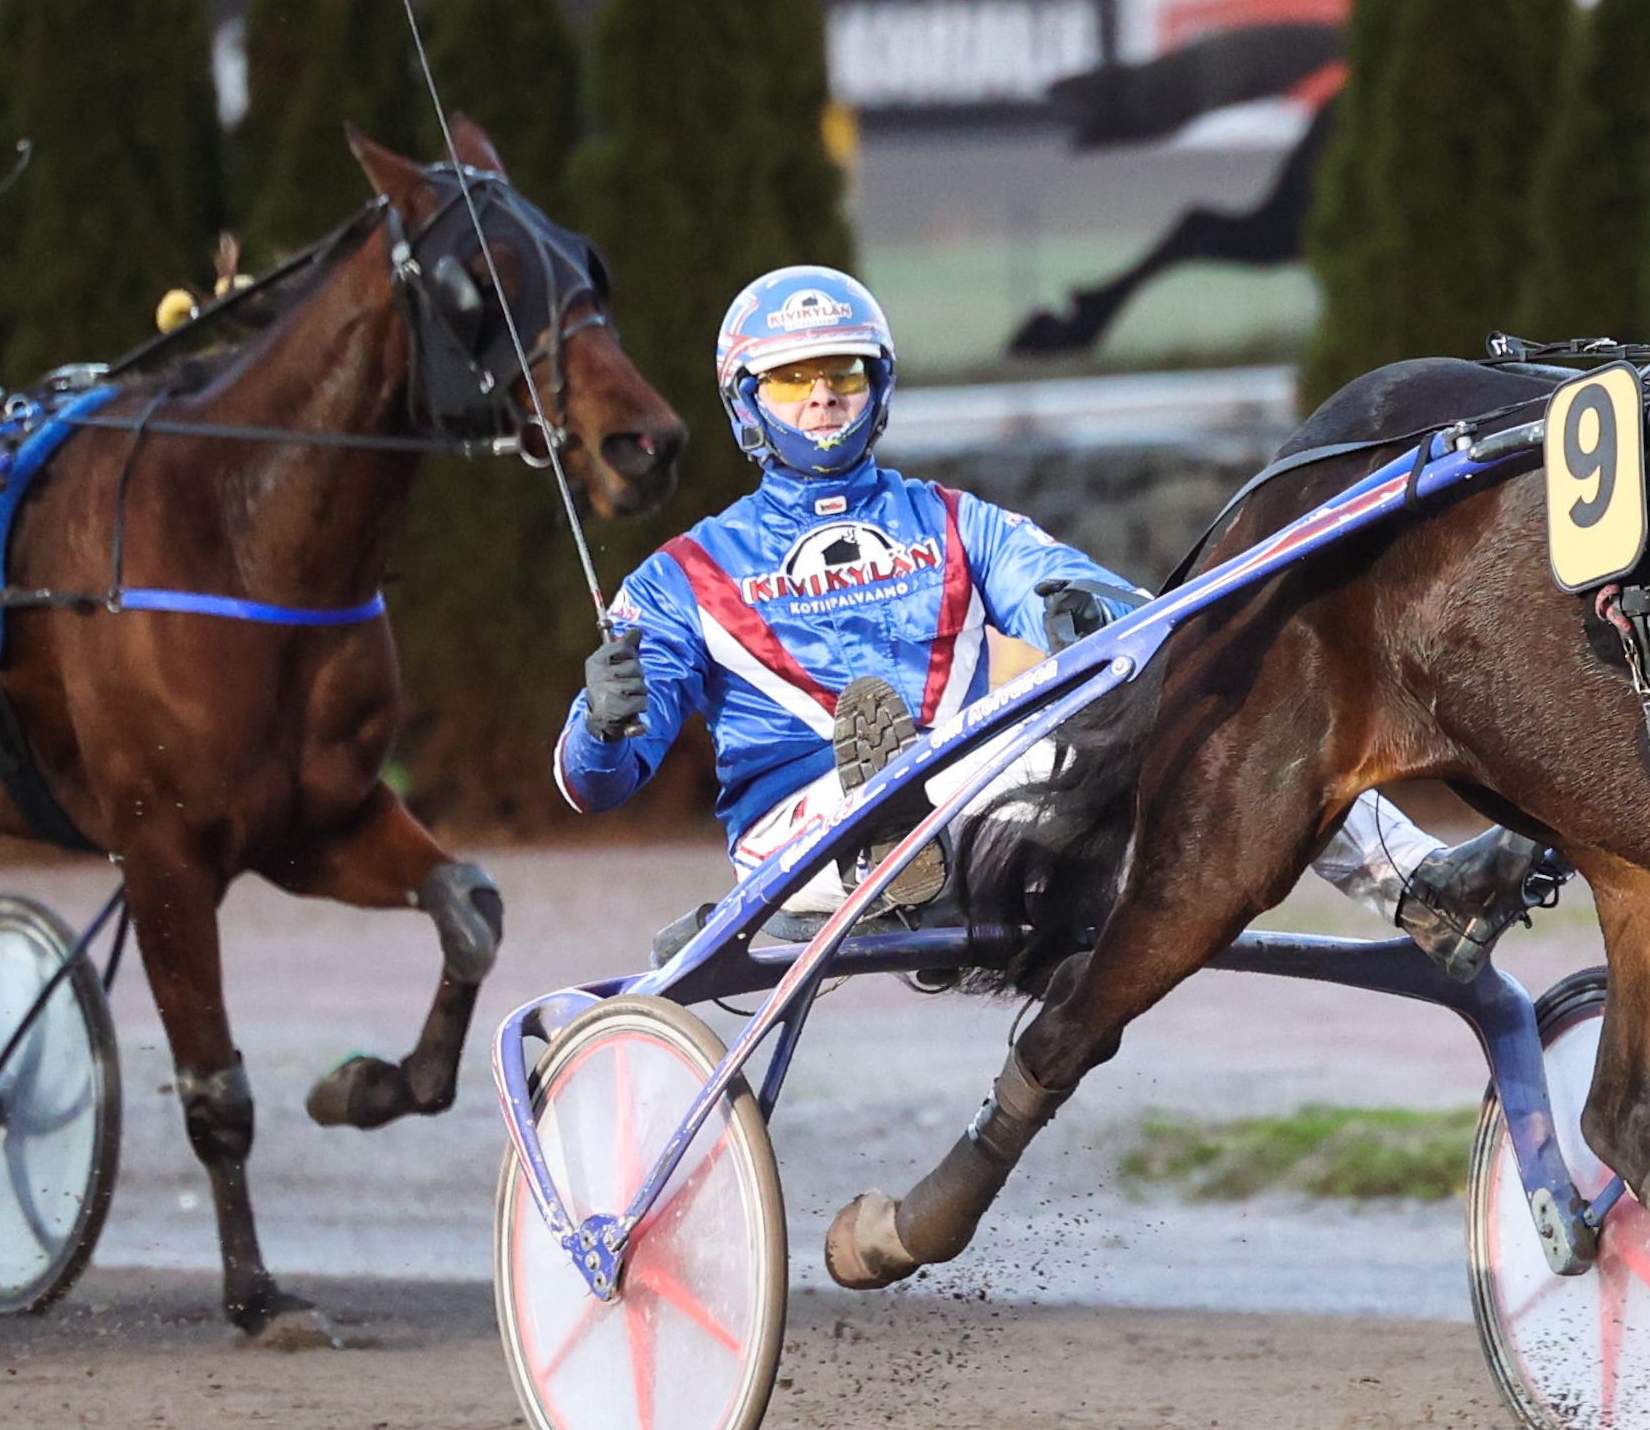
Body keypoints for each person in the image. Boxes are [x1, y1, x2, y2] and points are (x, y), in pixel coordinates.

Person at [553, 266, 1550, 970]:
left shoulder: (952, 522)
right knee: (932, 779)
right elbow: (597, 784)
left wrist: (1093, 619)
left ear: (877, 388)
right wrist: (599, 723)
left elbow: (1105, 612)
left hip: (975, 791)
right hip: (794, 839)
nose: (821, 400)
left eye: (843, 375)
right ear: (745, 402)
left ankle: (1423, 889)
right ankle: (886, 840)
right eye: (792, 381)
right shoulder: (676, 579)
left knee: (1225, 709)